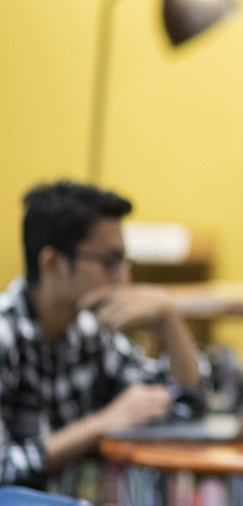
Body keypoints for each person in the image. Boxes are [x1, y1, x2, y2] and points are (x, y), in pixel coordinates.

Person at [0, 180, 203, 490]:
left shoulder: (88, 331)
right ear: (52, 263)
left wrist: (168, 318)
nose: (124, 277)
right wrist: (100, 425)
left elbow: (183, 404)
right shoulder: (5, 336)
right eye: (110, 262)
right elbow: (4, 468)